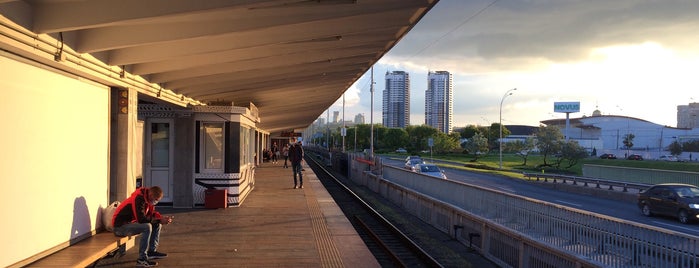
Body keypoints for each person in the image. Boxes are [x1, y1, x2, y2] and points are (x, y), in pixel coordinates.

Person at [112, 186, 173, 267]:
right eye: (156, 200)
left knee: (157, 224)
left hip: (128, 224)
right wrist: (159, 220)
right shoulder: (138, 199)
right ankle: (142, 259)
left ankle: (151, 252)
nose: (156, 202)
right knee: (147, 227)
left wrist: (161, 218)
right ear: (151, 195)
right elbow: (141, 219)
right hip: (119, 227)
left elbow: (151, 214)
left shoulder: (147, 200)